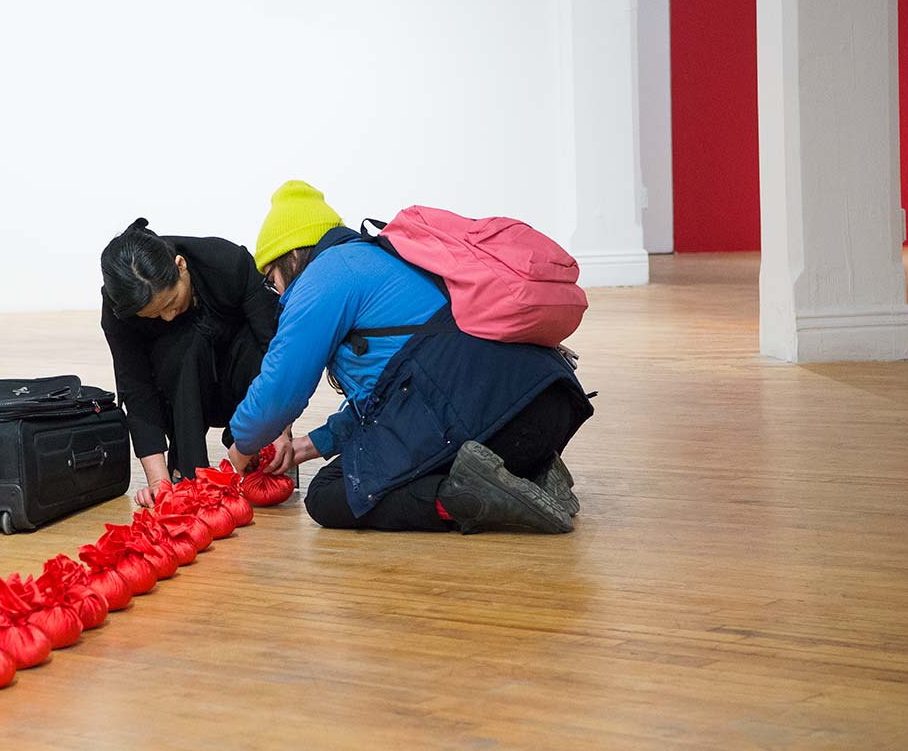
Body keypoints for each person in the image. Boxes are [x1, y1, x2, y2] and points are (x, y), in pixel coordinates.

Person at [225, 180, 594, 534]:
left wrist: (243, 445)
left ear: (291, 255)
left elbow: (280, 389)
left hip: (495, 419)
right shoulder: (382, 257)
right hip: (543, 404)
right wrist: (306, 446)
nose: (273, 289)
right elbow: (389, 400)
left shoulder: (325, 276)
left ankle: (472, 499)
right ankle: (529, 473)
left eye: (270, 276)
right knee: (363, 464)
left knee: (331, 494)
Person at [100, 218, 294, 506]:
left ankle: (261, 447)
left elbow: (279, 351)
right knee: (183, 344)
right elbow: (136, 389)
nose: (166, 317)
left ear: (181, 265)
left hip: (245, 383)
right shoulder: (119, 309)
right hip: (180, 395)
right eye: (153, 316)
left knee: (265, 344)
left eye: (169, 303)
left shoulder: (227, 263)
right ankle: (188, 471)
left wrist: (279, 427)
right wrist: (158, 481)